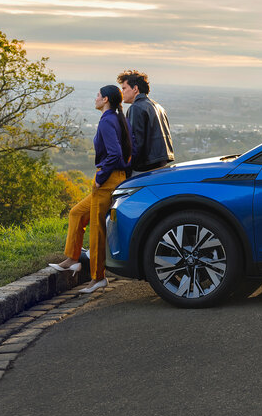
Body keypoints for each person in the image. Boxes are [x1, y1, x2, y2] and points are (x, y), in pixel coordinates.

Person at [49, 85, 133, 293]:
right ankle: (72, 259)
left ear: (105, 99)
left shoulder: (107, 121)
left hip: (106, 180)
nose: (95, 98)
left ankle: (98, 278)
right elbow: (131, 151)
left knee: (97, 230)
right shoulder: (119, 118)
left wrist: (100, 178)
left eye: (97, 95)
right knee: (77, 213)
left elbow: (114, 154)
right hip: (115, 177)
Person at [117, 69, 174, 176]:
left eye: (124, 88)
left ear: (135, 89)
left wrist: (127, 168)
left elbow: (135, 143)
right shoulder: (159, 107)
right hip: (161, 165)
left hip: (144, 168)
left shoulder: (136, 108)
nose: (122, 92)